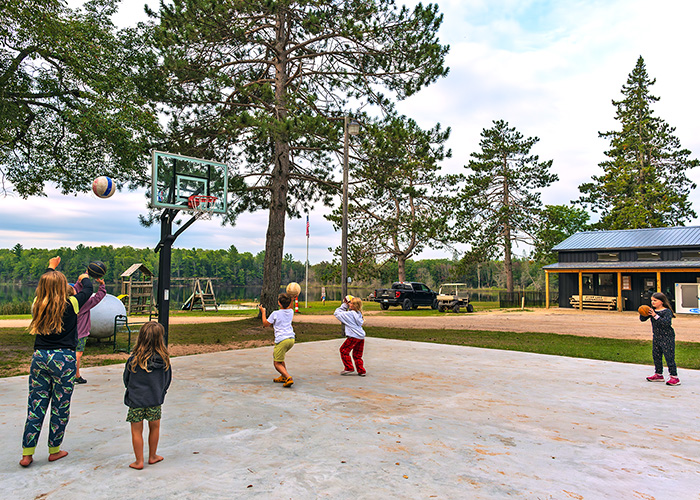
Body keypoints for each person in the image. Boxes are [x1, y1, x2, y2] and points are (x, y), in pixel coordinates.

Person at [20, 257, 94, 467]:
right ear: (64, 288)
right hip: (64, 359)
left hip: (40, 357)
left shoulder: (38, 304)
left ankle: (27, 454)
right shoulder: (71, 303)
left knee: (36, 405)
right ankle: (54, 450)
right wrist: (84, 276)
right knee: (60, 406)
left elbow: (45, 284)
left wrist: (51, 267)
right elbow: (87, 290)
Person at [123, 321, 172, 470]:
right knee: (155, 427)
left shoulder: (133, 360)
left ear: (141, 338)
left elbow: (126, 379)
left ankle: (138, 461)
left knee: (136, 430)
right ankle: (153, 456)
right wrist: (161, 393)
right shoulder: (164, 360)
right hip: (155, 400)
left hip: (136, 400)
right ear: (160, 339)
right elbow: (167, 381)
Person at [641, 292, 680, 386]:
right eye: (652, 300)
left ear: (662, 302)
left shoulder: (667, 311)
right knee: (656, 355)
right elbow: (642, 319)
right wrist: (643, 312)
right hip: (656, 336)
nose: (653, 302)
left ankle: (674, 377)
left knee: (669, 356)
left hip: (667, 337)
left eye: (655, 300)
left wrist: (655, 315)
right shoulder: (652, 311)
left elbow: (666, 323)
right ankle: (658, 374)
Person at [73, 276, 107, 384]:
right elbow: (98, 297)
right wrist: (102, 285)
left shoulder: (69, 302)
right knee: (78, 354)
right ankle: (75, 375)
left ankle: (72, 374)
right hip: (80, 332)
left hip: (69, 332)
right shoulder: (84, 303)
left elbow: (77, 290)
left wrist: (81, 280)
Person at [259, 293, 295, 388]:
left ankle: (288, 378)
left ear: (279, 303)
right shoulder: (291, 311)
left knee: (276, 363)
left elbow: (265, 324)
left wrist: (263, 312)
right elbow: (290, 305)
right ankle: (283, 376)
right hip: (291, 339)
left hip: (282, 340)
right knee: (280, 358)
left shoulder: (275, 314)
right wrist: (293, 297)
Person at [335, 295, 367, 376]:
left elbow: (337, 313)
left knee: (343, 350)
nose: (349, 304)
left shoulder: (350, 314)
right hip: (361, 337)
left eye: (351, 303)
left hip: (353, 336)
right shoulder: (358, 313)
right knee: (357, 355)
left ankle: (349, 368)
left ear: (354, 305)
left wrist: (344, 305)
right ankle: (361, 371)